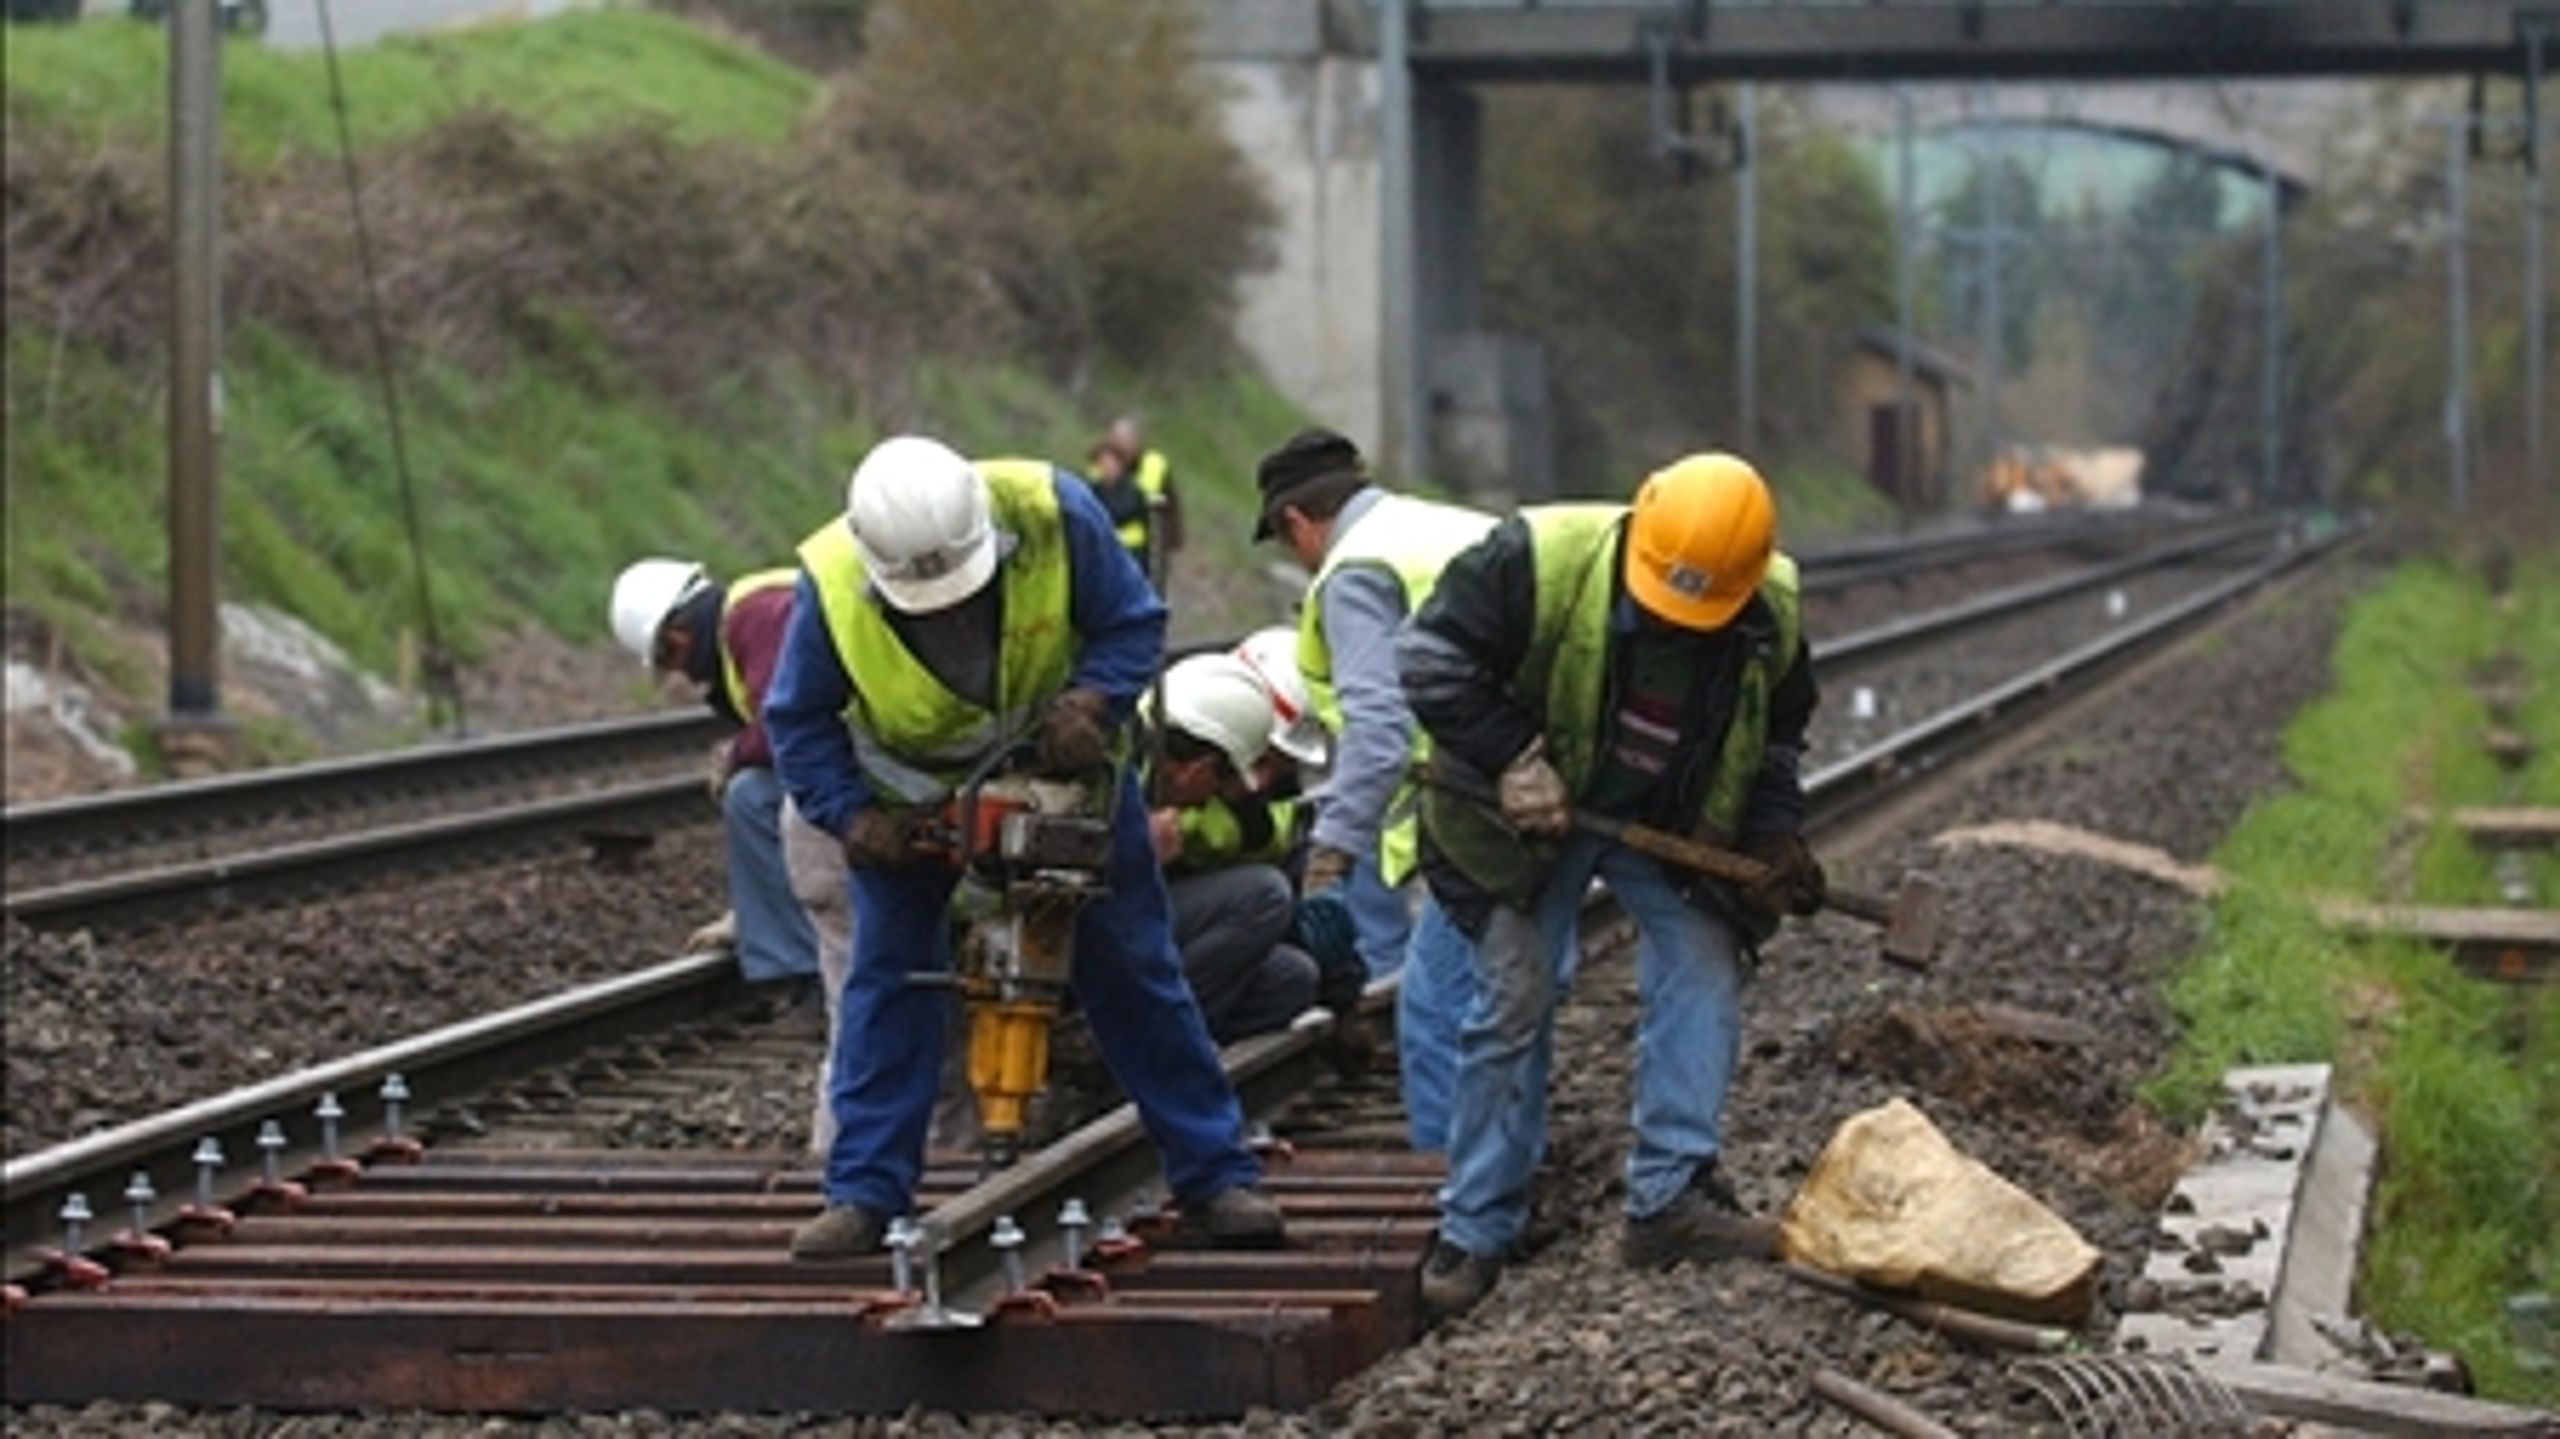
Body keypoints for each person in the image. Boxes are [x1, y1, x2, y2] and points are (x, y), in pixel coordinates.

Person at [763, 434, 1284, 1260]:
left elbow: (1133, 622)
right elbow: (797, 719)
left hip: (1064, 782)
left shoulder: (1053, 513)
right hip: (914, 806)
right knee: (888, 981)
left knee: (1135, 968)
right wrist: (855, 819)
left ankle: (1214, 1173)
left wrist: (1094, 701)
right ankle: (863, 1192)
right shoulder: (832, 584)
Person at [1396, 453, 1823, 1316]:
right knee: (1514, 994)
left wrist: (1774, 828)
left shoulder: (1769, 610)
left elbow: (1778, 732)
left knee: (1704, 964)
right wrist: (1512, 757)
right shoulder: (1536, 559)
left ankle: (1670, 1196)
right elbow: (1430, 655)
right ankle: (1476, 1225)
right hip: (1522, 814)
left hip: (1665, 815)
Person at [1250, 427, 1494, 1150]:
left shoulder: (1356, 571)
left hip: (1481, 799)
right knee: (1504, 995)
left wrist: (1333, 850)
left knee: (1436, 1008)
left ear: (1297, 520)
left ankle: (1462, 1186)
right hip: (1537, 773)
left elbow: (1380, 731)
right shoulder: (1448, 526)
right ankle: (1502, 1162)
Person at [607, 557, 823, 1000]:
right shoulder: (749, 621)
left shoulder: (758, 619)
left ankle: (800, 977)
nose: (683, 674)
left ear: (679, 637)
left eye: (671, 660)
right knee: (757, 789)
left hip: (871, 756)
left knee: (750, 795)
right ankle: (772, 926)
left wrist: (733, 756)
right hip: (856, 751)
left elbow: (784, 730)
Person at [1145, 652, 1324, 1044]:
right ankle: (1157, 1040)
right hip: (1099, 932)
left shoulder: (1253, 811)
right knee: (1263, 895)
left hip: (1147, 919)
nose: (1250, 786)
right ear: (1196, 768)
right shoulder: (1121, 763)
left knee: (1292, 978)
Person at [1087, 416, 1180, 580]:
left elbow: (1140, 503)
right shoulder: (1102, 463)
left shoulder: (1152, 464)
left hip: (1147, 544)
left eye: (1124, 440)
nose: (1119, 445)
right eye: (1115, 440)